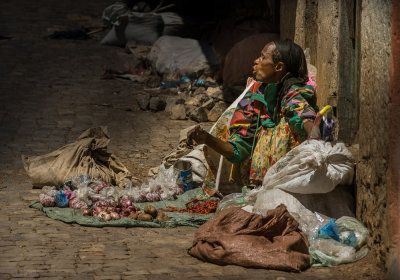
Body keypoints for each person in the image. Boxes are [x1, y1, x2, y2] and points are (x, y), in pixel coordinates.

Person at [188, 39, 319, 186]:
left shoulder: (293, 93)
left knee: (285, 126)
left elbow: (301, 112)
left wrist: (313, 132)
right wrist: (208, 139)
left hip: (293, 178)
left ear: (278, 67)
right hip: (260, 185)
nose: (256, 61)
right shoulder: (253, 97)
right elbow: (239, 149)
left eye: (263, 57)